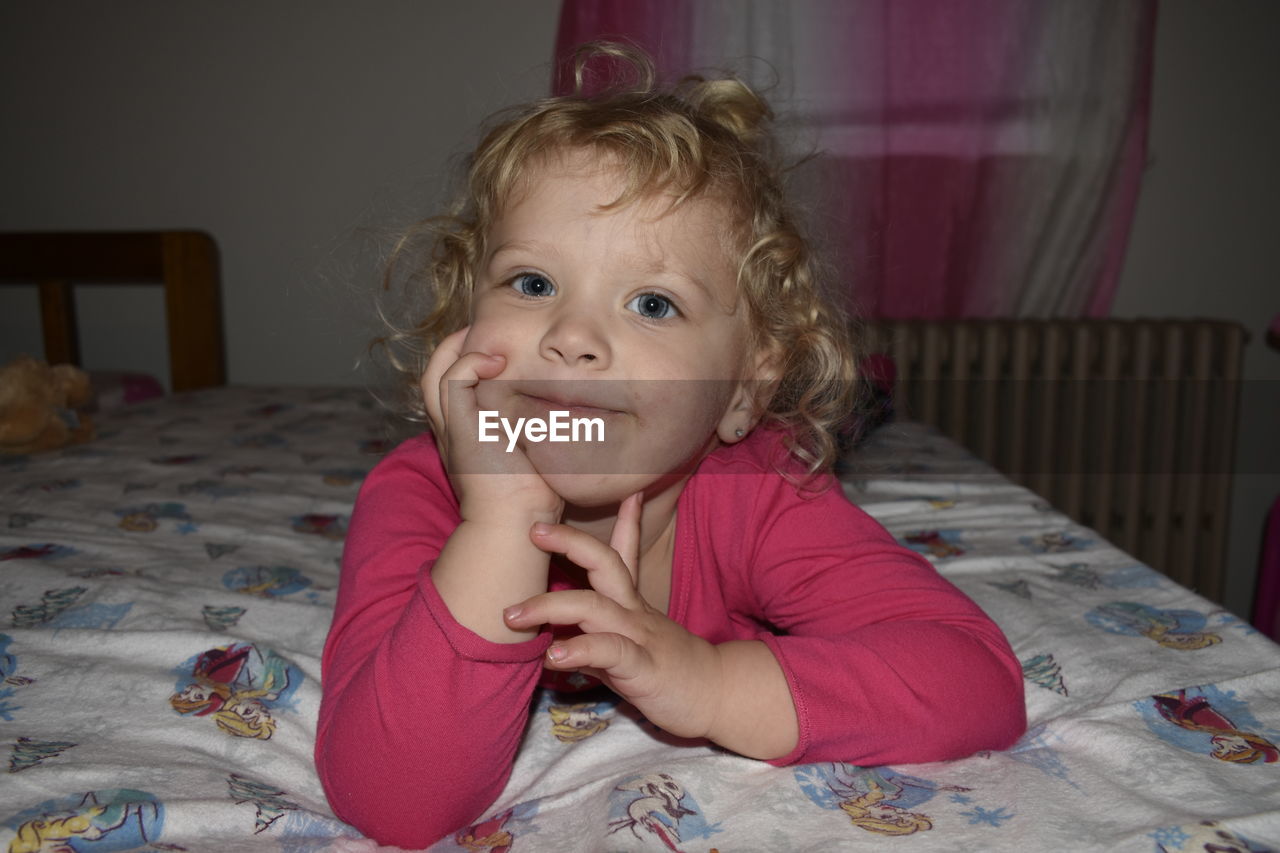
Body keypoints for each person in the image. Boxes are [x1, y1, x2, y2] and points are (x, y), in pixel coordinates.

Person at [315, 42, 1025, 849]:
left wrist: (712, 683)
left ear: (744, 392)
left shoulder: (753, 490)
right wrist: (502, 524)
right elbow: (394, 801)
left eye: (653, 303)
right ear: (463, 315)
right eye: (533, 284)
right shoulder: (419, 493)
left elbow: (977, 680)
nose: (574, 337)